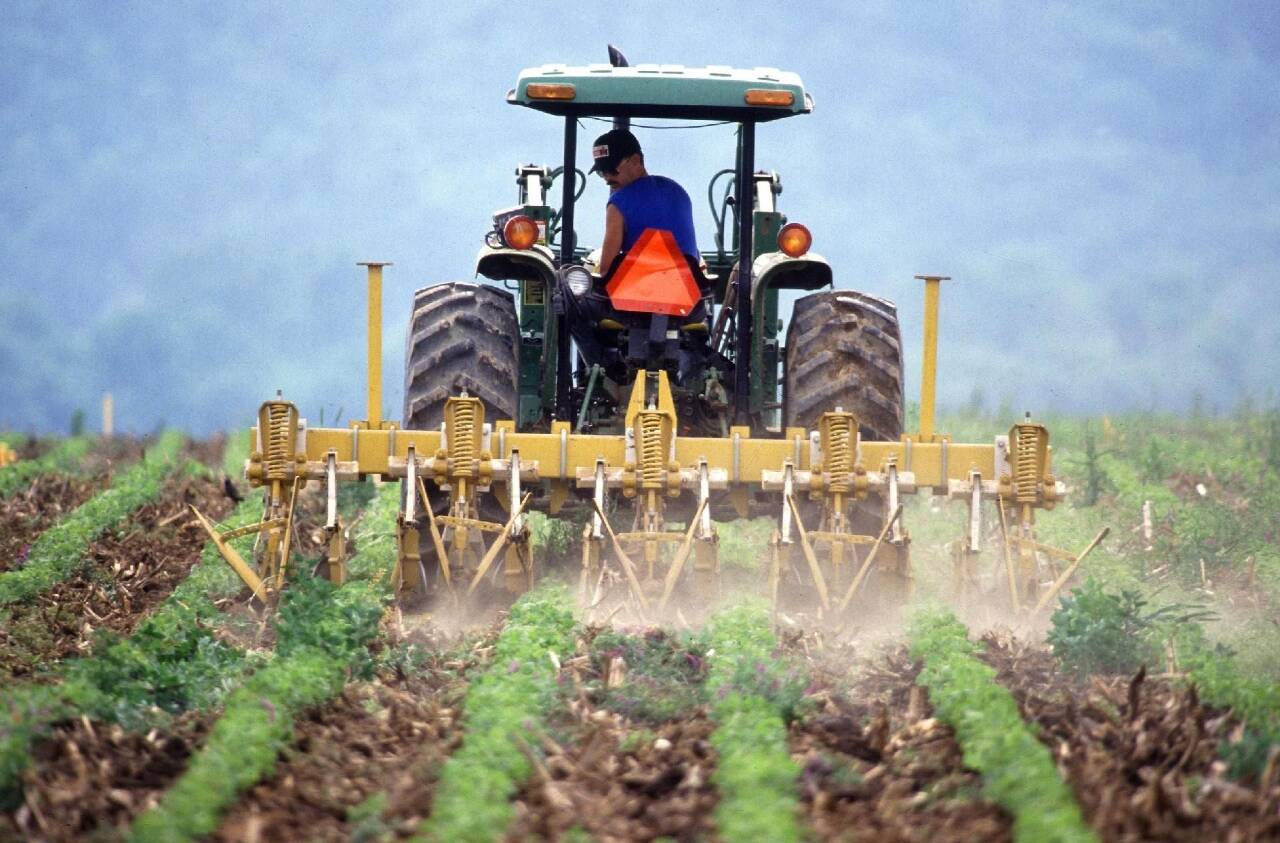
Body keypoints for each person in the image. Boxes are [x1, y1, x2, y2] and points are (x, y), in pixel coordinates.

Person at [589, 128, 698, 275]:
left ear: (636, 161)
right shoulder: (679, 191)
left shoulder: (617, 203)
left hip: (642, 293)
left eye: (612, 170)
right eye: (601, 172)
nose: (607, 178)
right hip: (690, 291)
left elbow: (607, 272)